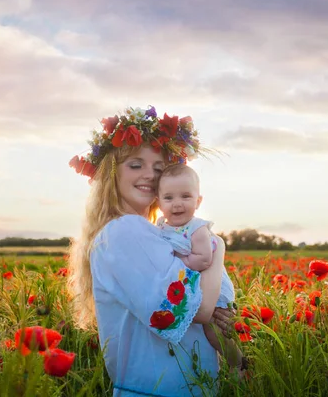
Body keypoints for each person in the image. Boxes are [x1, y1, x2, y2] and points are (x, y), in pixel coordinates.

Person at [68, 106, 234, 397]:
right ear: (111, 173)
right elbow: (198, 308)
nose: (150, 175)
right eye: (135, 165)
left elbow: (206, 303)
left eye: (159, 168)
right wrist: (217, 247)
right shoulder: (125, 231)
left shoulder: (152, 233)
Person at [156, 164, 244, 373]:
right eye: (169, 198)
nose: (177, 204)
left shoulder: (197, 229)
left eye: (185, 196)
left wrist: (178, 263)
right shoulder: (162, 227)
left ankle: (237, 362)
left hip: (213, 286)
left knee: (214, 329)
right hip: (193, 283)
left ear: (199, 201)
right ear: (159, 202)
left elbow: (204, 260)